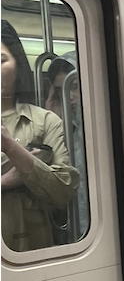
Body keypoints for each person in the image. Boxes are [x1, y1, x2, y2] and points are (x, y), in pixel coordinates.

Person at [1, 20, 79, 251]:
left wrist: (12, 148)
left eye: (2, 60)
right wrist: (5, 182)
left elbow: (63, 191)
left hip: (32, 253)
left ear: (18, 64)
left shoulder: (45, 121)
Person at [45, 53, 89, 238]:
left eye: (75, 87)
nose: (68, 97)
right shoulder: (68, 127)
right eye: (60, 90)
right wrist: (53, 120)